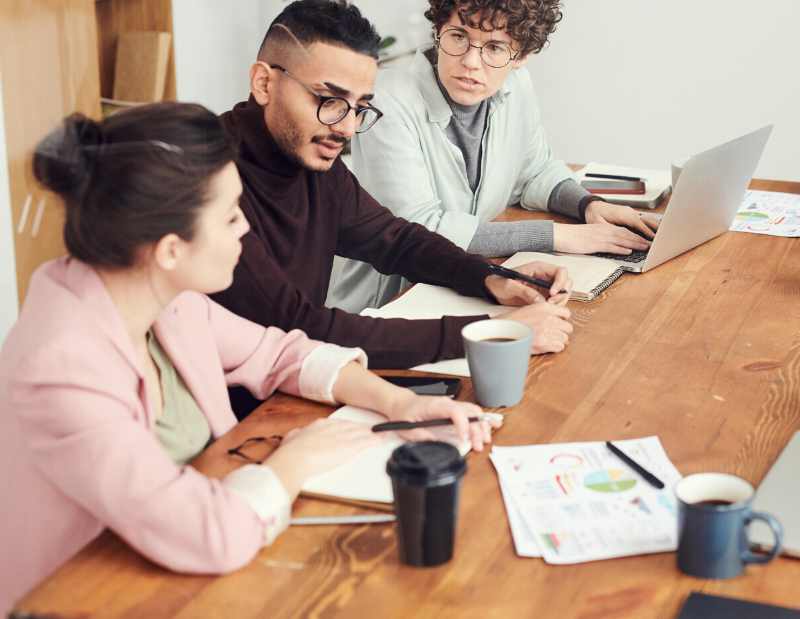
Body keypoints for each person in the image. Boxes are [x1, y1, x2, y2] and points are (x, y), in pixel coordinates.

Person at [0, 103, 501, 609]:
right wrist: (300, 457)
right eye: (230, 216)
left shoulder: (157, 294)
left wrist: (399, 404)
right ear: (170, 249)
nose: (245, 230)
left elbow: (279, 352)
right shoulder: (61, 370)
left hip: (184, 561)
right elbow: (210, 532)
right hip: (98, 593)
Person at [211, 0, 574, 392]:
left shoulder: (311, 158)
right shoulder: (211, 184)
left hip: (302, 383)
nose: (347, 128)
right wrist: (491, 330)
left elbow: (394, 239)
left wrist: (492, 278)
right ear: (264, 83)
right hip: (237, 420)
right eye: (328, 100)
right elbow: (301, 326)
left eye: (359, 107)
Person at [329, 0, 661, 313]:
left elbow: (535, 171)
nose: (471, 62)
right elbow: (420, 230)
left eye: (495, 47)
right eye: (458, 36)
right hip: (393, 305)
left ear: (521, 57)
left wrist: (589, 205)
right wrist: (561, 236)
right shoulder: (389, 102)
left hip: (471, 284)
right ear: (437, 29)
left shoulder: (516, 87)